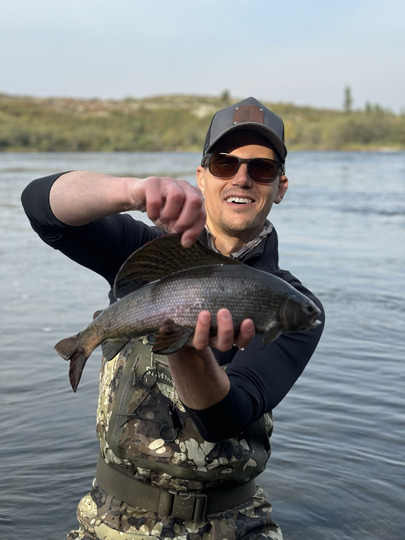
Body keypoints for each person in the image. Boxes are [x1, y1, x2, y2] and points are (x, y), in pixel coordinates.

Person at [21, 96, 325, 539]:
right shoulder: (144, 255)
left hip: (234, 527)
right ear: (202, 177)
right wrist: (132, 192)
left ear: (279, 186)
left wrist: (185, 344)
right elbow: (41, 209)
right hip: (110, 521)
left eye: (260, 168)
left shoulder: (294, 306)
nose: (241, 177)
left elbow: (229, 416)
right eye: (225, 164)